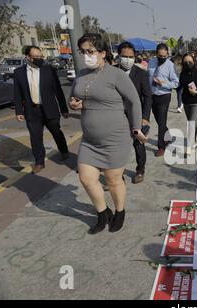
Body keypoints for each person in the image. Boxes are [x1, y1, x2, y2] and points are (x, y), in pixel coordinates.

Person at [69, 33, 146, 234]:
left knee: (113, 180)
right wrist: (75, 104)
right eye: (83, 51)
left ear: (103, 53)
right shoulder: (80, 74)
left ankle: (120, 212)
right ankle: (103, 214)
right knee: (86, 179)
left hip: (115, 139)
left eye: (91, 51)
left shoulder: (116, 75)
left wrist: (136, 127)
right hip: (89, 141)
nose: (86, 55)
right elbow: (75, 98)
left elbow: (134, 101)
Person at [13, 45, 70, 174]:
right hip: (32, 111)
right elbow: (17, 93)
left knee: (56, 132)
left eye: (41, 56)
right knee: (35, 137)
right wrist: (19, 111)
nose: (39, 59)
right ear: (28, 57)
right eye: (36, 57)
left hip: (49, 108)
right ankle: (39, 162)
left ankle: (64, 151)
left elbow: (58, 91)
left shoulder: (48, 70)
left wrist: (64, 109)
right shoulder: (19, 73)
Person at [116, 41, 153, 184]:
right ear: (119, 56)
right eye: (125, 56)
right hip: (117, 116)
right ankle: (118, 175)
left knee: (138, 145)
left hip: (136, 116)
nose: (128, 60)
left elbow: (148, 96)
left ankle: (140, 170)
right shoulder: (112, 72)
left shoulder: (141, 73)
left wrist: (145, 117)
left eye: (131, 56)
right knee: (117, 146)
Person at [148, 43, 179, 157]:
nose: (162, 58)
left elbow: (176, 82)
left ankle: (161, 146)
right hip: (152, 95)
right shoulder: (151, 62)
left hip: (164, 95)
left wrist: (163, 83)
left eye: (164, 56)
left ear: (167, 55)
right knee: (158, 120)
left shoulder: (170, 65)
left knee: (161, 122)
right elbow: (148, 77)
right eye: (160, 56)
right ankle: (168, 137)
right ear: (156, 54)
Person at [179, 53, 197, 155]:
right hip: (186, 101)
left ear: (194, 61)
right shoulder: (183, 73)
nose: (188, 63)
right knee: (192, 122)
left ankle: (189, 146)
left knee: (191, 122)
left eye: (190, 62)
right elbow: (180, 85)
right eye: (185, 62)